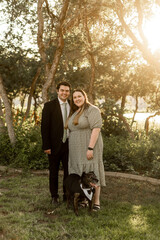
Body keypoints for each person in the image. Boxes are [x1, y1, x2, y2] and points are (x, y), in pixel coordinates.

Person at [67, 89, 106, 211]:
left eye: (79, 96)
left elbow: (96, 128)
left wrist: (90, 148)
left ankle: (96, 201)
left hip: (89, 146)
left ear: (85, 97)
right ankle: (84, 199)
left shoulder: (92, 110)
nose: (77, 99)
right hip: (76, 150)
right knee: (80, 172)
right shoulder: (75, 111)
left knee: (92, 171)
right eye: (74, 97)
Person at [41, 81, 71, 205]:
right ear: (58, 91)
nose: (64, 93)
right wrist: (46, 145)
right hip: (53, 146)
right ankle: (54, 196)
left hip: (69, 144)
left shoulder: (73, 105)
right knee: (53, 172)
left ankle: (66, 194)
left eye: (67, 91)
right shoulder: (49, 106)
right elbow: (44, 127)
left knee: (68, 172)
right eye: (62, 90)